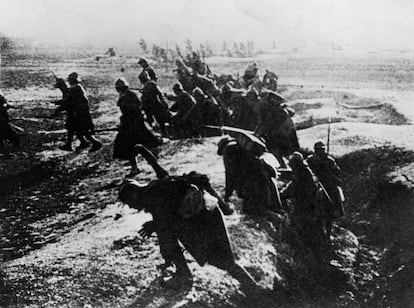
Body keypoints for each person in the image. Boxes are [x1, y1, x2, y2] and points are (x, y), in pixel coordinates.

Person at [118, 171, 256, 289]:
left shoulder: (152, 196)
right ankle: (255, 290)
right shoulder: (155, 188)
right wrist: (155, 226)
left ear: (133, 194)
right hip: (210, 213)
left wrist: (154, 226)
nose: (131, 207)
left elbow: (166, 229)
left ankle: (183, 274)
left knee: (222, 261)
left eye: (129, 202)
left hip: (205, 219)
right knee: (225, 262)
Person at [113, 78, 163, 177]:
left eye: (120, 88)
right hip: (129, 125)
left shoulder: (130, 96)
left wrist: (125, 123)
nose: (119, 90)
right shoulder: (124, 96)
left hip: (136, 125)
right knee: (129, 148)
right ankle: (135, 168)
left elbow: (135, 110)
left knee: (147, 144)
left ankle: (156, 164)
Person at [280, 152, 327, 247]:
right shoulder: (306, 172)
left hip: (306, 207)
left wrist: (282, 193)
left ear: (296, 165)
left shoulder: (302, 175)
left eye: (292, 166)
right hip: (313, 207)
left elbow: (293, 188)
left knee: (295, 225)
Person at [51, 72, 102, 152]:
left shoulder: (75, 89)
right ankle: (78, 143)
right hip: (78, 113)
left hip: (80, 114)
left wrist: (57, 105)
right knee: (73, 129)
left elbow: (67, 102)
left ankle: (95, 143)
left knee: (81, 130)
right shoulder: (75, 88)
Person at [306, 140, 345, 236]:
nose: (320, 151)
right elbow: (306, 169)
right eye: (318, 150)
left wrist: (333, 176)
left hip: (329, 186)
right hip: (315, 184)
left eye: (322, 149)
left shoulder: (329, 160)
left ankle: (329, 229)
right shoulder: (310, 160)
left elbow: (337, 172)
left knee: (331, 206)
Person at [255, 90, 299, 166]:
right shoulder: (273, 111)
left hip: (284, 137)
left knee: (277, 151)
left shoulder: (279, 112)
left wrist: (259, 133)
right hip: (281, 136)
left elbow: (268, 124)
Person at [139, 72, 171, 136]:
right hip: (150, 105)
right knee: (156, 121)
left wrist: (162, 101)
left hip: (153, 105)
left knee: (157, 120)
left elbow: (159, 93)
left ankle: (159, 134)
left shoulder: (151, 84)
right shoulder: (149, 84)